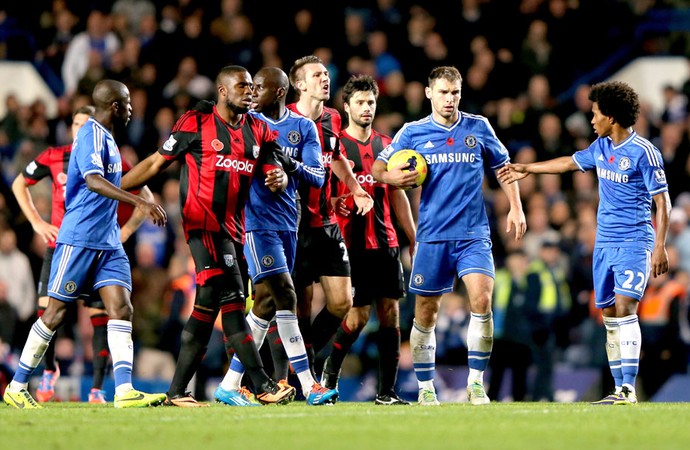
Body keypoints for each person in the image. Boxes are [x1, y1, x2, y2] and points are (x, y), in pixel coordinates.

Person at [121, 65, 295, 407]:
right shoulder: (195, 124)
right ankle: (262, 384)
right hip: (202, 227)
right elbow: (157, 163)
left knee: (216, 305)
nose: (250, 92)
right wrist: (116, 188)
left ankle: (177, 392)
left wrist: (281, 178)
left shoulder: (258, 129)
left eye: (252, 87)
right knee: (226, 297)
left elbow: (278, 165)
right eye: (242, 86)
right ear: (222, 91)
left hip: (234, 231)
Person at [498, 80, 671, 405]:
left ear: (612, 117)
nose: (591, 120)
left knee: (625, 306)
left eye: (595, 114)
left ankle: (628, 389)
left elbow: (663, 202)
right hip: (603, 244)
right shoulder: (601, 148)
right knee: (607, 313)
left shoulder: (644, 152)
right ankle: (618, 386)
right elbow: (568, 162)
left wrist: (659, 245)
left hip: (634, 241)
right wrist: (528, 169)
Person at [3, 79, 168, 409]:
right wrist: (137, 202)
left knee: (121, 308)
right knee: (54, 313)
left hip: (108, 242)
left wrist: (148, 179)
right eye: (128, 103)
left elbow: (120, 180)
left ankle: (123, 391)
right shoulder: (90, 134)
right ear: (116, 106)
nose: (133, 109)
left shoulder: (110, 140)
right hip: (78, 238)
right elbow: (94, 182)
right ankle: (17, 385)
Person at [372, 66, 526, 406]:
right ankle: (426, 386)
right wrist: (393, 179)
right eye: (443, 92)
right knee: (426, 313)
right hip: (432, 236)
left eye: (454, 93)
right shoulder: (413, 133)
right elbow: (377, 168)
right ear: (429, 93)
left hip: (473, 234)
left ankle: (475, 383)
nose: (449, 99)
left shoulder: (478, 127)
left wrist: (516, 206)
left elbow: (504, 167)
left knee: (482, 300)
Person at [215, 66, 338, 406]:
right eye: (249, 86)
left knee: (267, 305)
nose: (252, 92)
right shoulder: (245, 125)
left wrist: (289, 172)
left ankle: (229, 382)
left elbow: (316, 177)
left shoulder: (303, 128)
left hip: (288, 224)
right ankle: (309, 383)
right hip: (257, 224)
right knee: (287, 295)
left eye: (258, 86)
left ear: (280, 91)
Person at [320, 74, 416, 406]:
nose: (366, 108)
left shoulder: (387, 146)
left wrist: (412, 237)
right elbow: (323, 199)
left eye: (371, 102)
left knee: (391, 313)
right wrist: (341, 203)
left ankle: (386, 392)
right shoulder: (335, 147)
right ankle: (328, 375)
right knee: (357, 317)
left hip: (386, 243)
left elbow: (397, 194)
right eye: (360, 102)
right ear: (346, 107)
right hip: (351, 246)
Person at [286, 55, 374, 376]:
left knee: (341, 302)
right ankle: (299, 374)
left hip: (325, 223)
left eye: (326, 74)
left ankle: (303, 361)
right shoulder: (284, 120)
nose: (325, 79)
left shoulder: (334, 118)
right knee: (300, 307)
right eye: (317, 75)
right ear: (299, 85)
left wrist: (355, 189)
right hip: (294, 228)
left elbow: (336, 158)